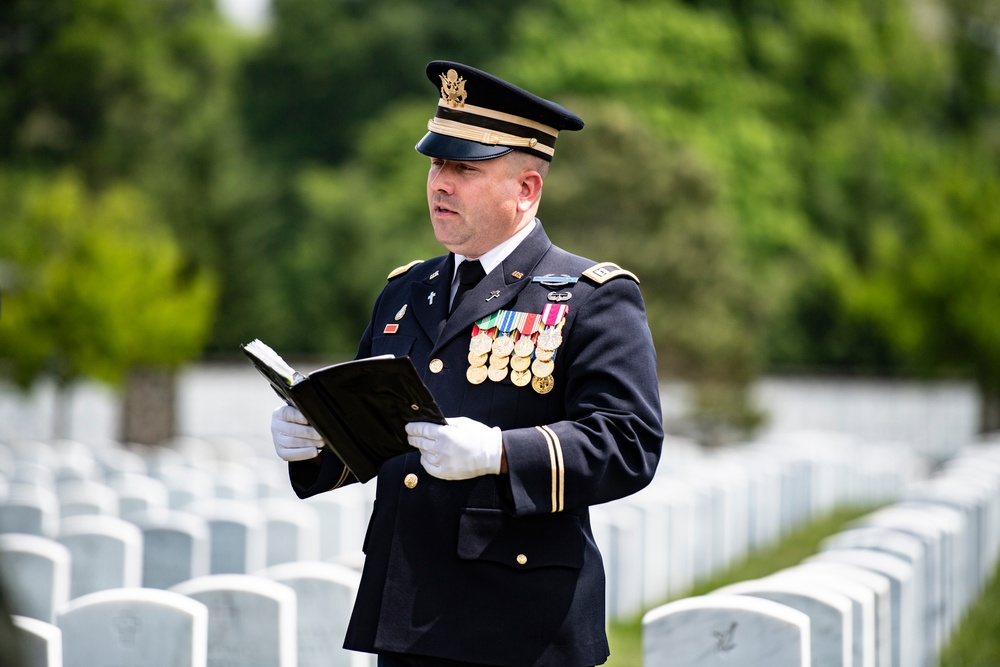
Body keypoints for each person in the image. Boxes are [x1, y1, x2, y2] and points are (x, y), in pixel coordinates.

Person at [270, 60, 664, 667]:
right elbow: (375, 430)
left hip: (519, 624)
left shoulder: (591, 297)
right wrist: (316, 440)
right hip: (407, 613)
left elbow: (628, 441)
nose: (439, 183)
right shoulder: (405, 291)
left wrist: (501, 453)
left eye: (465, 168)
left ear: (526, 190)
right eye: (435, 163)